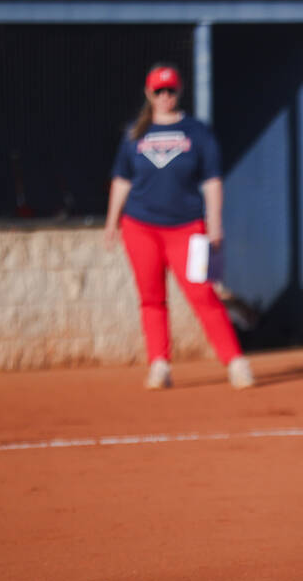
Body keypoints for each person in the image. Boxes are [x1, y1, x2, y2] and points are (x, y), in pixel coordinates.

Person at [103, 64, 255, 391]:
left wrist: (215, 223)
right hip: (140, 226)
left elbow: (212, 180)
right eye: (158, 91)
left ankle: (235, 362)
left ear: (179, 91)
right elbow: (122, 179)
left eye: (170, 90)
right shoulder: (135, 132)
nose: (165, 96)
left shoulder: (197, 132)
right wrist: (111, 221)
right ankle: (159, 365)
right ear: (148, 93)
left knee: (202, 294)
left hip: (187, 227)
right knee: (151, 297)